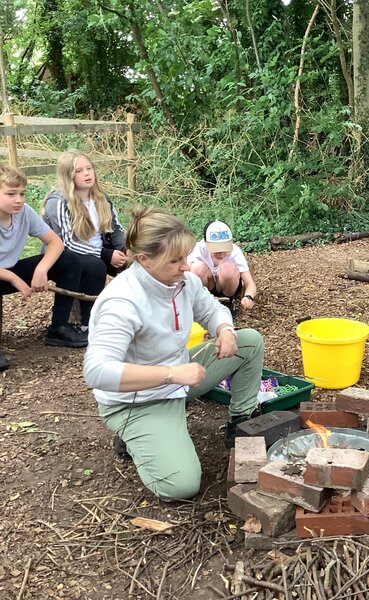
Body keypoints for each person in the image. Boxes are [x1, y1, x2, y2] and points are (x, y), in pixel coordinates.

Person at [83, 207, 264, 501]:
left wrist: (225, 330)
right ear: (144, 260)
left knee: (249, 341)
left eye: (186, 256)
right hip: (138, 400)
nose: (186, 266)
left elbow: (212, 309)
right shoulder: (122, 301)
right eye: (175, 260)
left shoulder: (182, 281)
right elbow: (97, 372)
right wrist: (171, 374)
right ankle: (135, 435)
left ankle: (240, 421)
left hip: (179, 377)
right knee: (181, 486)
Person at [0, 165, 88, 369]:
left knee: (68, 260)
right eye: (11, 194)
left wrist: (41, 269)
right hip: (4, 274)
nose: (18, 199)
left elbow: (56, 243)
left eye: (22, 193)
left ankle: (59, 328)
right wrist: (14, 279)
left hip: (9, 269)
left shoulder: (24, 212)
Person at [42, 150, 127, 330]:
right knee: (96, 266)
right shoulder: (58, 201)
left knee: (136, 259)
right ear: (68, 175)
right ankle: (87, 323)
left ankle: (127, 313)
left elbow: (116, 228)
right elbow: (65, 242)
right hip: (65, 255)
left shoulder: (101, 197)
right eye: (79, 171)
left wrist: (124, 249)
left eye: (89, 168)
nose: (87, 173)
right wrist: (105, 254)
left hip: (99, 248)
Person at [188, 220, 257, 312]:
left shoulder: (235, 251)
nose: (220, 254)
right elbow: (184, 275)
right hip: (206, 287)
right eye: (216, 250)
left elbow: (250, 283)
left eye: (224, 249)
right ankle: (202, 300)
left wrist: (248, 297)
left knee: (227, 268)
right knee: (197, 268)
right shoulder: (198, 250)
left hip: (228, 288)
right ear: (205, 243)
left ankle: (227, 301)